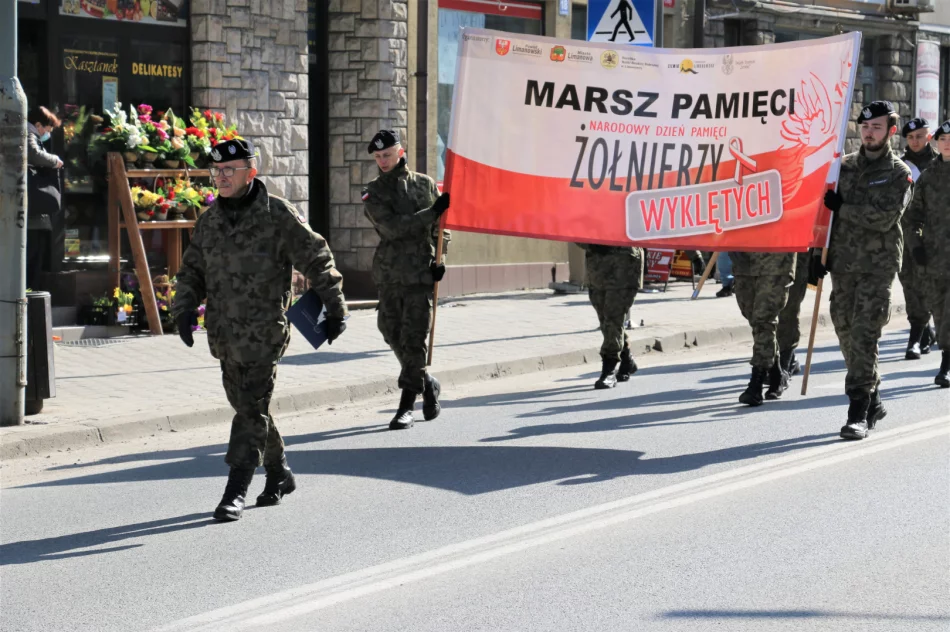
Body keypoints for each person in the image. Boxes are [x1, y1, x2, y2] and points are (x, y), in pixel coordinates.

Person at [172, 139, 348, 521]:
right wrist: (183, 308)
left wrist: (335, 306)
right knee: (251, 409)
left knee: (249, 412)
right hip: (223, 335)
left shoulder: (277, 215)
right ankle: (280, 472)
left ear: (251, 173)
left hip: (263, 334)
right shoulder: (211, 220)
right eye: (215, 171)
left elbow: (317, 257)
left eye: (229, 170)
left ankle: (236, 488)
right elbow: (192, 269)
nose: (220, 177)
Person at [813, 101, 913, 440]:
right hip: (842, 264)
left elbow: (885, 219)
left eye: (877, 128)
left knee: (864, 335)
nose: (869, 133)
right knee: (844, 331)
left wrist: (846, 208)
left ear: (890, 131)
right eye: (866, 127)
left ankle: (857, 412)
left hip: (877, 267)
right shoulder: (842, 168)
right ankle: (873, 397)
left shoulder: (899, 173)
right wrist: (817, 254)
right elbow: (824, 217)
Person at [362, 129, 450, 430]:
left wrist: (441, 261)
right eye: (378, 157)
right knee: (389, 329)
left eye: (387, 155)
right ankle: (426, 383)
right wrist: (430, 214)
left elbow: (442, 229)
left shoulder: (425, 185)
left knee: (414, 341)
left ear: (400, 152)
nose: (383, 161)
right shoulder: (373, 191)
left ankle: (405, 407)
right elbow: (392, 228)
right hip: (390, 273)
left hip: (420, 275)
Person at [905, 120, 950, 389]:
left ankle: (946, 362)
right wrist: (916, 246)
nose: (947, 142)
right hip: (935, 257)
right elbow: (913, 216)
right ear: (936, 142)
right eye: (943, 138)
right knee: (940, 310)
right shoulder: (930, 175)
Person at [731, 251, 795, 405]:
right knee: (753, 318)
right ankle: (776, 373)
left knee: (763, 320)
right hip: (743, 260)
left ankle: (756, 383)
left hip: (775, 262)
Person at [578, 243, 643, 389]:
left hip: (624, 268)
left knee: (613, 318)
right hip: (597, 270)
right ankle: (626, 358)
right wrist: (591, 244)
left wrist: (694, 255)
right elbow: (575, 230)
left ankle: (609, 368)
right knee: (606, 321)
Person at [899, 117, 938, 359]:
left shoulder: (940, 164)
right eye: (911, 137)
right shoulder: (898, 165)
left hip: (936, 238)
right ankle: (920, 332)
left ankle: (921, 334)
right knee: (911, 286)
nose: (915, 141)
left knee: (932, 287)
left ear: (929, 137)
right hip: (906, 237)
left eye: (920, 136)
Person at [26, 106, 64, 289]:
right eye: (46, 130)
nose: (47, 135)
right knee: (32, 257)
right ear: (38, 125)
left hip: (34, 216)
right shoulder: (28, 133)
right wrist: (54, 160)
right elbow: (33, 154)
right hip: (32, 215)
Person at [776, 250, 811, 377]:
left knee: (788, 309)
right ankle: (783, 358)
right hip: (763, 255)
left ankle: (785, 362)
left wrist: (818, 253)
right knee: (761, 312)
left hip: (794, 257)